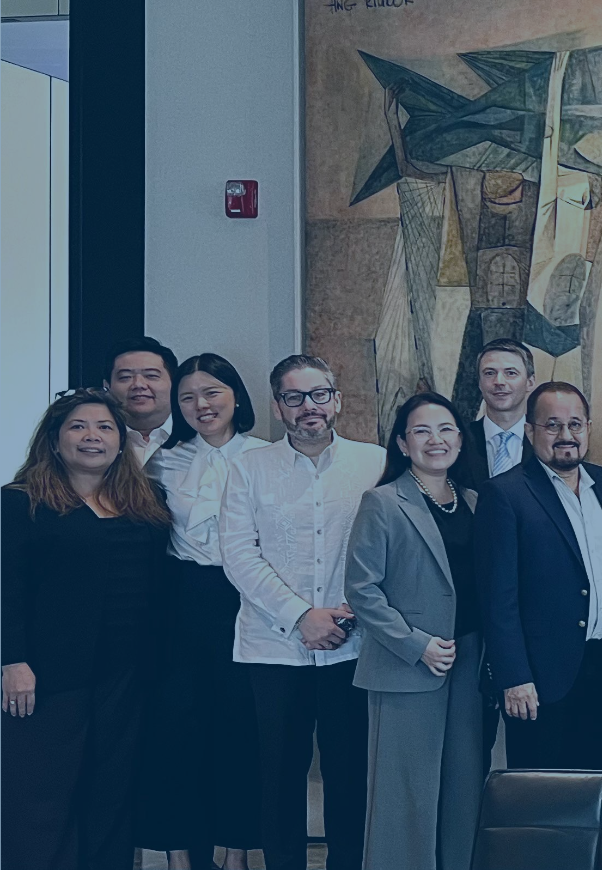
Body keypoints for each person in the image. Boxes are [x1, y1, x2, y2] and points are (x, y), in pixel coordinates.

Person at [219, 355, 384, 870]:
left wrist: (352, 611)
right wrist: (300, 616)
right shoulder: (248, 468)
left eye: (318, 394)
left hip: (353, 646)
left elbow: (390, 547)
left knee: (350, 774)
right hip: (273, 648)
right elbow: (238, 554)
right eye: (294, 397)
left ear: (336, 400)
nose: (308, 406)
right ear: (278, 407)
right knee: (279, 776)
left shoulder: (375, 463)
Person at [3, 389, 173, 870]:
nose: (92, 436)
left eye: (104, 427)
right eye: (78, 426)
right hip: (46, 675)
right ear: (54, 440)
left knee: (111, 792)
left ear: (121, 441)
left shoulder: (147, 500)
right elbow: (5, 586)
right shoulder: (19, 502)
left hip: (128, 674)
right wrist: (11, 660)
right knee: (41, 795)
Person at [347, 392, 494, 870]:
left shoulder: (473, 501)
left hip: (468, 663)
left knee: (463, 788)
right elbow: (362, 589)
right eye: (422, 431)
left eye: (446, 429)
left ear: (460, 439)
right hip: (407, 666)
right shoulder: (382, 502)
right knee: (404, 794)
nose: (436, 440)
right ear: (402, 443)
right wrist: (416, 645)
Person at [134, 354, 263, 870]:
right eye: (187, 397)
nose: (200, 405)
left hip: (249, 600)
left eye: (211, 392)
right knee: (176, 729)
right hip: (181, 601)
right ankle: (180, 856)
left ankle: (236, 853)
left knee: (241, 728)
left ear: (235, 395)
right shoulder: (161, 462)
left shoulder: (266, 456)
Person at [479, 381, 602, 770]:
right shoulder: (505, 494)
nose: (566, 435)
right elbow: (498, 598)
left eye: (575, 424)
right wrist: (514, 677)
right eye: (552, 425)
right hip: (539, 676)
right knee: (539, 792)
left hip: (600, 666)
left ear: (588, 429)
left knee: (592, 785)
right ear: (530, 431)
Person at [453, 337, 535, 484]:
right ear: (479, 383)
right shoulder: (458, 440)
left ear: (530, 382)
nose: (499, 382)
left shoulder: (544, 439)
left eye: (511, 373)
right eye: (490, 373)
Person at [106, 337, 179, 466]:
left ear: (175, 384)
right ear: (107, 386)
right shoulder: (96, 441)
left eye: (151, 375)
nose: (138, 384)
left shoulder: (199, 437)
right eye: (125, 377)